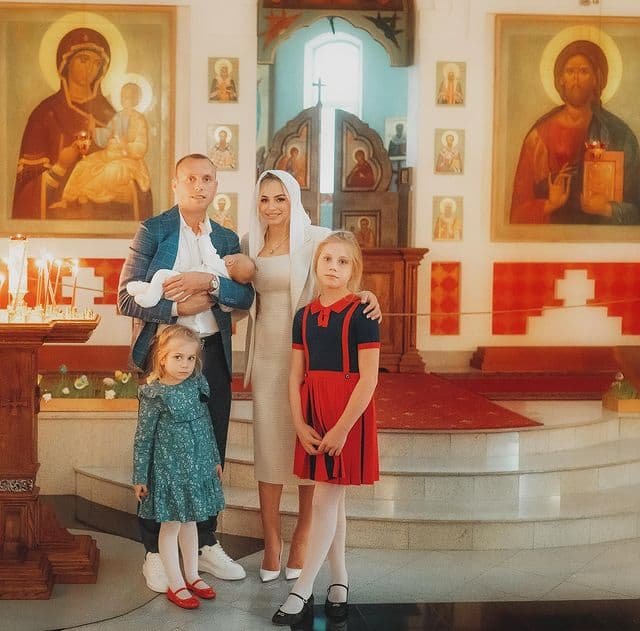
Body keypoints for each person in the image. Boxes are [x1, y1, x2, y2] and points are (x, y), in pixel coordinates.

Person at [118, 153, 254, 591]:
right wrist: (178, 308)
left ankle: (205, 543)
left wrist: (208, 283)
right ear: (175, 184)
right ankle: (155, 552)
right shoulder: (154, 230)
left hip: (210, 354)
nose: (199, 186)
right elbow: (126, 297)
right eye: (191, 178)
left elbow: (246, 296)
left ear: (216, 186)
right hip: (165, 355)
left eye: (207, 179)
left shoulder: (227, 238)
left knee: (209, 449)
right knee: (161, 452)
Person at [241, 170, 381, 584]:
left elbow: (344, 263)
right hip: (269, 353)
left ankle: (302, 538)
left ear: (293, 199)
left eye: (280, 198)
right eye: (264, 199)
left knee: (310, 445)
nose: (271, 207)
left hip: (311, 349)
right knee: (269, 448)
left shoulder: (315, 238)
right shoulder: (249, 243)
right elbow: (233, 294)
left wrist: (367, 295)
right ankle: (271, 542)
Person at [272, 231, 380, 626]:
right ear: (316, 265)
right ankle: (339, 580)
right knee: (333, 502)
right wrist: (300, 423)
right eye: (327, 260)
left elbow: (369, 378)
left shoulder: (363, 313)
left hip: (347, 413)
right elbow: (294, 375)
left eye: (343, 261)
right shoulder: (303, 316)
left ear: (354, 269)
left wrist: (342, 429)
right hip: (314, 411)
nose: (333, 267)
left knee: (324, 501)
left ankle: (302, 589)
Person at [12, 27, 152, 221]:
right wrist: (60, 167)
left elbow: (139, 182)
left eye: (97, 63)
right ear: (66, 63)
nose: (91, 68)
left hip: (106, 220)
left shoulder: (113, 115)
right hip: (57, 225)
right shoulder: (45, 114)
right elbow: (25, 192)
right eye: (84, 60)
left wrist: (127, 188)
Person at [133, 324, 224, 609]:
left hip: (196, 468)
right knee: (171, 526)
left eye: (190, 358)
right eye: (177, 357)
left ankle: (193, 574)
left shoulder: (196, 385)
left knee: (191, 522)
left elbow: (206, 425)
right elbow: (143, 437)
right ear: (162, 358)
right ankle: (176, 582)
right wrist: (140, 476)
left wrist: (214, 459)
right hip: (169, 472)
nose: (185, 364)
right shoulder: (154, 394)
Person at [510, 39, 640, 225]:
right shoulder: (539, 137)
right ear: (560, 79)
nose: (576, 78)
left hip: (601, 237)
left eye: (584, 71)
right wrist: (549, 204)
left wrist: (607, 209)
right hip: (554, 237)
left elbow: (636, 211)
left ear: (596, 79)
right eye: (570, 71)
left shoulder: (620, 134)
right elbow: (517, 214)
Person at [58, 81, 152, 217]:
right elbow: (106, 136)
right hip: (109, 154)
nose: (125, 100)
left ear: (136, 99)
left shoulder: (139, 120)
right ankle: (68, 198)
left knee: (111, 170)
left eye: (129, 97)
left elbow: (141, 147)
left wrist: (125, 145)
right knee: (84, 164)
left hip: (128, 161)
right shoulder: (118, 117)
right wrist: (94, 130)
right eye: (123, 96)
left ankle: (84, 193)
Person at [127, 253, 255, 308]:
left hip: (179, 282)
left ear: (230, 261)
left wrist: (211, 282)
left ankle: (151, 297)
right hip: (183, 298)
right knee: (166, 289)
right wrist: (176, 310)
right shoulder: (229, 280)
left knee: (162, 274)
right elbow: (226, 308)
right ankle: (144, 289)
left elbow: (245, 297)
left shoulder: (219, 261)